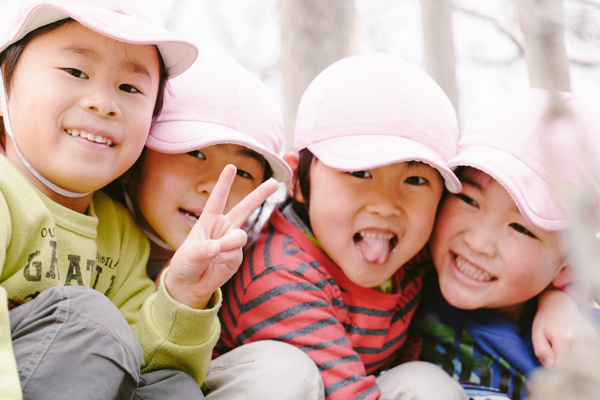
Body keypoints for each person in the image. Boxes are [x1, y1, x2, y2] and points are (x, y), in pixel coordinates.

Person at [0, 1, 277, 399]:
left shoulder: (120, 235)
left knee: (174, 384)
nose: (103, 102)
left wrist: (184, 294)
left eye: (130, 88)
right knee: (87, 316)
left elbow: (143, 369)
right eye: (76, 71)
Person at [215, 53, 470, 400]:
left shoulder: (415, 252)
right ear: (299, 183)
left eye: (415, 179)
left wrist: (557, 300)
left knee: (426, 385)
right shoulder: (280, 273)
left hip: (354, 386)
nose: (385, 204)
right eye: (360, 172)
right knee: (285, 372)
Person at [109, 55, 325, 399]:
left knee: (283, 370)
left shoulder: (259, 270)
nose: (214, 186)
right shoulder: (94, 230)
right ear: (142, 151)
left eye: (242, 173)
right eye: (195, 153)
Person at [402, 88, 600, 400]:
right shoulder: (401, 283)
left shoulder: (579, 341)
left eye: (521, 228)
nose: (479, 243)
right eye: (468, 199)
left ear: (568, 265)